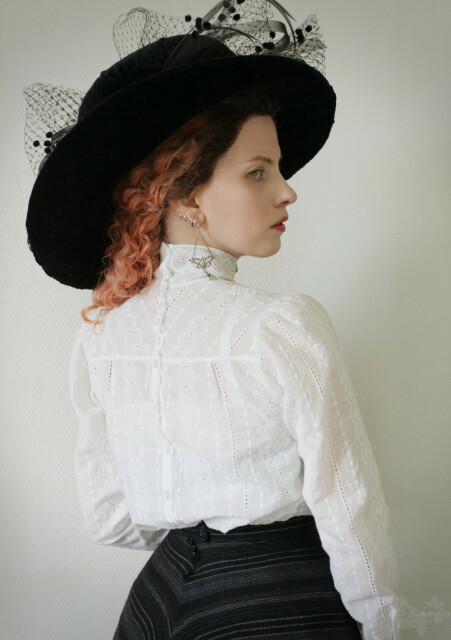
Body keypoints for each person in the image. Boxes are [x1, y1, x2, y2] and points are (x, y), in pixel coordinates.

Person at [23, 3, 411, 638]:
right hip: (278, 600)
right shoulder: (282, 325)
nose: (287, 191)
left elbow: (110, 517)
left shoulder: (101, 329)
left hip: (154, 602)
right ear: (183, 194)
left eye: (277, 168)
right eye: (258, 171)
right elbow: (349, 507)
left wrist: (193, 523)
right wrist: (385, 624)